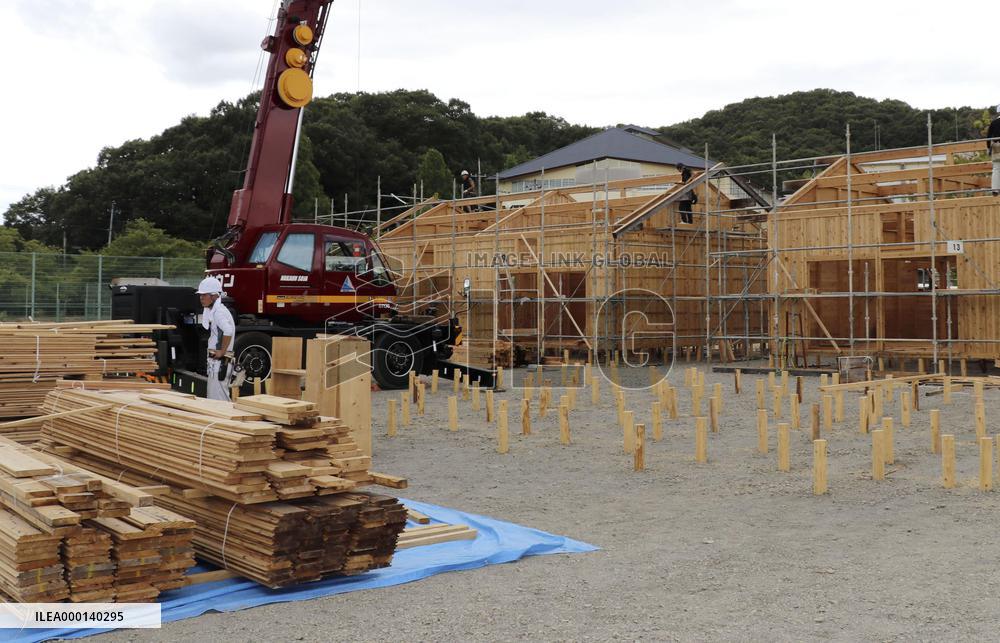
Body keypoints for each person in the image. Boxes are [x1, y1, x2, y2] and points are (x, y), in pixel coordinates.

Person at [196, 276, 236, 401]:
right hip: (216, 362)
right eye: (200, 295)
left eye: (204, 295)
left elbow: (228, 330)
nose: (201, 298)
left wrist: (222, 351)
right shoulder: (215, 311)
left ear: (214, 296)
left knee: (219, 397)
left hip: (221, 362)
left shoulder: (219, 312)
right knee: (214, 396)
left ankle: (225, 419)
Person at [989, 105, 1000, 197]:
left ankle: (995, 189)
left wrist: (989, 148)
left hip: (996, 147)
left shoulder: (994, 123)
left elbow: (988, 137)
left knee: (996, 169)